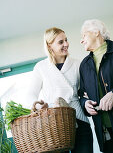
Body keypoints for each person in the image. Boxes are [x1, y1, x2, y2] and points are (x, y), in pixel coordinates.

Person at [26, 27, 93, 153]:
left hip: (79, 120)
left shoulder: (78, 64)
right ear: (49, 45)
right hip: (53, 124)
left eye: (66, 40)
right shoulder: (41, 67)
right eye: (61, 42)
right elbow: (30, 94)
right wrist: (41, 108)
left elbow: (85, 91)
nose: (66, 44)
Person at [78, 19, 113, 153]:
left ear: (96, 32)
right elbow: (82, 94)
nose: (82, 41)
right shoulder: (84, 65)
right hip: (104, 131)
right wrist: (85, 103)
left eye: (84, 36)